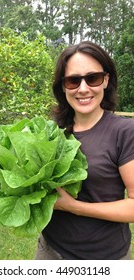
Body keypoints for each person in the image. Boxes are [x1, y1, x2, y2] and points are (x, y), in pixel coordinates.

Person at [35, 41, 134, 260]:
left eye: (93, 78)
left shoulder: (125, 132)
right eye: (73, 80)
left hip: (106, 257)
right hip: (50, 251)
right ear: (63, 86)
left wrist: (75, 207)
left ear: (105, 80)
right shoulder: (52, 132)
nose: (83, 88)